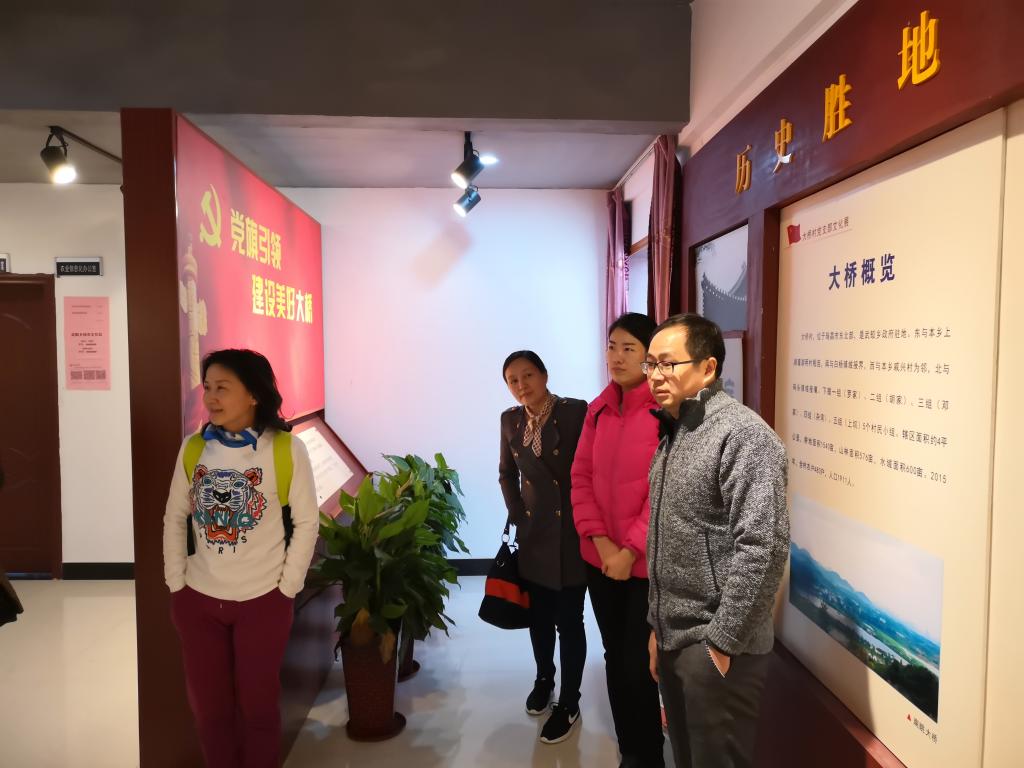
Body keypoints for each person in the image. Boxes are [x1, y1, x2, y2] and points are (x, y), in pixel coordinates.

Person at [643, 314, 789, 768]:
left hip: (717, 645)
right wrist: (658, 628)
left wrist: (722, 643)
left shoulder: (743, 435)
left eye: (668, 364)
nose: (655, 376)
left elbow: (765, 547)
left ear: (707, 368)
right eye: (651, 364)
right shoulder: (676, 430)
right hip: (675, 637)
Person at [163, 349, 319, 768]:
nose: (211, 397)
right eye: (207, 387)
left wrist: (287, 588)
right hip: (199, 599)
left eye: (223, 388)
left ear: (253, 394)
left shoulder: (285, 449)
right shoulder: (194, 448)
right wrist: (177, 584)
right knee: (209, 711)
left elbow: (307, 522)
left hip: (263, 600)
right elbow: (175, 515)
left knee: (259, 709)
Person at [571, 312, 664, 768]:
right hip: (600, 560)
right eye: (612, 346)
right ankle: (631, 749)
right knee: (613, 655)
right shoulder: (598, 410)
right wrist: (604, 546)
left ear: (650, 356)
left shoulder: (665, 413)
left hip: (643, 565)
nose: (617, 356)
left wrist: (630, 550)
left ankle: (649, 753)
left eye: (629, 348)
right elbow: (580, 478)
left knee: (638, 661)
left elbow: (663, 492)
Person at [498, 350, 589, 744]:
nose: (522, 385)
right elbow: (506, 473)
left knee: (569, 620)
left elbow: (589, 469)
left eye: (528, 375)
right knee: (539, 618)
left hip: (570, 533)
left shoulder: (574, 412)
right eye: (513, 380)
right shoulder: (510, 420)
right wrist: (518, 514)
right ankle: (544, 679)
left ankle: (569, 702)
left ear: (545, 375)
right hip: (533, 535)